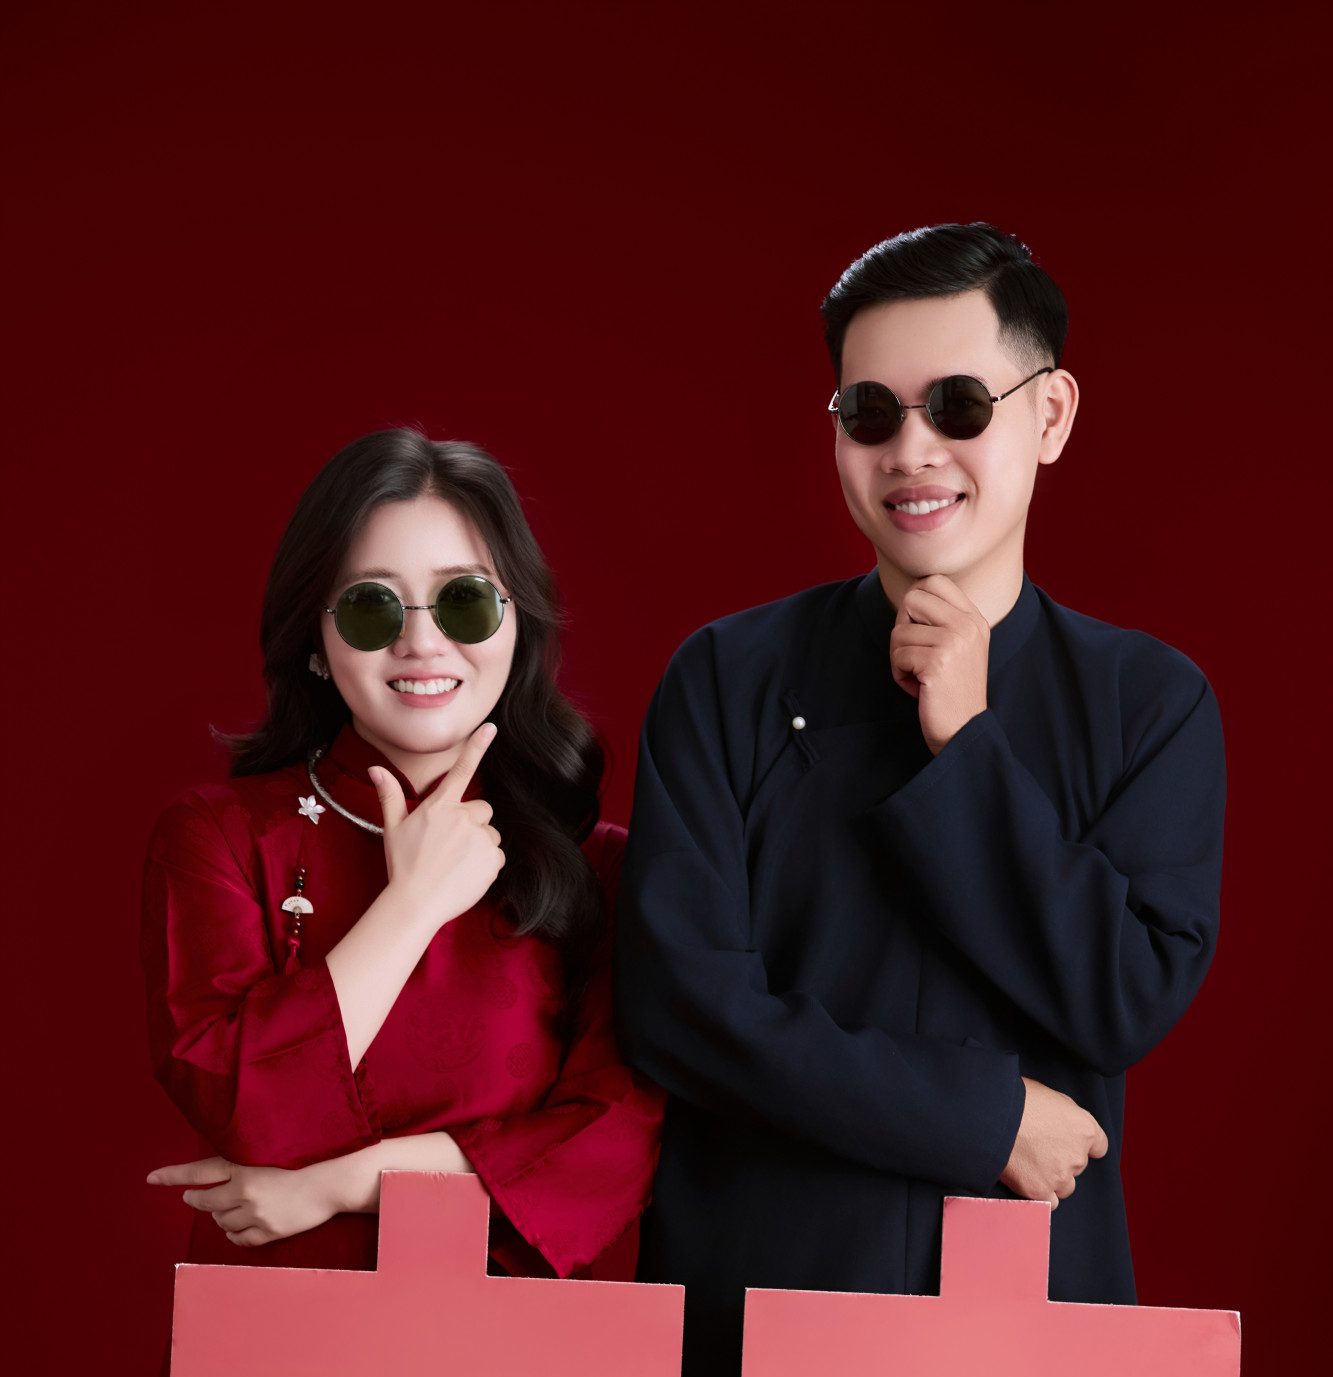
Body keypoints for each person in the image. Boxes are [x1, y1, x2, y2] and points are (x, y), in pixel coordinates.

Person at [613, 223, 1226, 1377]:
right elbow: (679, 1008)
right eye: (869, 414)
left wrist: (966, 746)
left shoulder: (1150, 702)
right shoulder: (727, 675)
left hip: (1028, 1312)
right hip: (755, 1294)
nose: (911, 451)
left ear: (1050, 416)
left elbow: (1122, 995)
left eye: (958, 406)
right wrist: (982, 1117)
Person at [141, 428, 664, 1288]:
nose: (421, 644)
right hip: (273, 1324)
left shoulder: (599, 869)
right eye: (372, 607)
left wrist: (340, 1184)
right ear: (315, 642)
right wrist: (411, 904)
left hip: (509, 1331)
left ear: (517, 625)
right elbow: (240, 1102)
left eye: (464, 601)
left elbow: (610, 1140)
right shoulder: (217, 835)